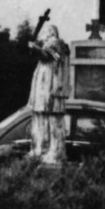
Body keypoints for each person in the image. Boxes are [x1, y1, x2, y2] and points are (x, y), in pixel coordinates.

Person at [27, 10, 69, 164]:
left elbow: (47, 55)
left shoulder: (55, 43)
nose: (44, 34)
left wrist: (35, 48)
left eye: (46, 31)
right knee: (41, 119)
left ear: (52, 33)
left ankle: (51, 151)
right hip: (44, 86)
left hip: (49, 87)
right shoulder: (50, 44)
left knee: (50, 120)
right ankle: (41, 149)